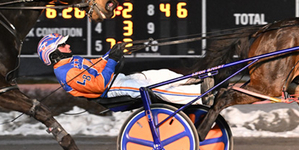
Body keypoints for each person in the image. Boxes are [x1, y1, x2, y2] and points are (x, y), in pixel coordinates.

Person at [37, 33, 202, 104]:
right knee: (151, 89)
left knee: (160, 74)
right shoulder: (66, 73)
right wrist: (113, 60)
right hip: (112, 89)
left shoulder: (71, 61)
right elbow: (100, 84)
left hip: (118, 80)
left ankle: (196, 81)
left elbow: (98, 64)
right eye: (63, 45)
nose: (68, 45)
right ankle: (200, 95)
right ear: (54, 53)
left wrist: (112, 53)